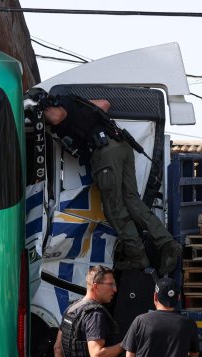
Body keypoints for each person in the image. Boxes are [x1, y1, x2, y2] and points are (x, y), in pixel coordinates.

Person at [42, 94, 182, 274]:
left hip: (105, 154)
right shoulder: (74, 101)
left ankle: (138, 258)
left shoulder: (58, 109)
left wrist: (37, 111)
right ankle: (167, 243)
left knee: (114, 209)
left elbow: (56, 116)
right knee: (132, 201)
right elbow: (104, 104)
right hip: (122, 146)